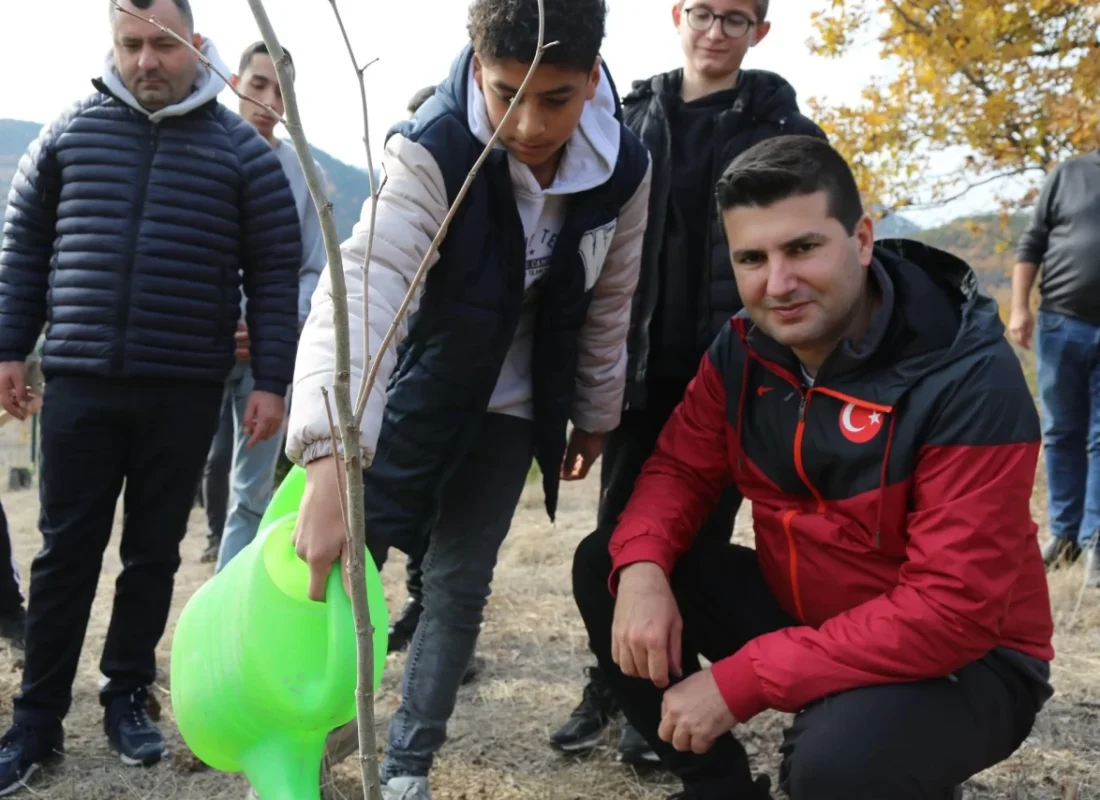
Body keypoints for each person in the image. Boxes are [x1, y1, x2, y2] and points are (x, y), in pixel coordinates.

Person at [572, 135, 1055, 800]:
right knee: (607, 562)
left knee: (835, 768)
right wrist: (643, 568)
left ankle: (887, 753)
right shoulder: (744, 348)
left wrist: (742, 680)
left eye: (802, 249)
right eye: (752, 258)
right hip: (809, 612)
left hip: (971, 658)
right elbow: (679, 469)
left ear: (862, 239)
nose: (778, 284)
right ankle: (719, 791)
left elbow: (953, 610)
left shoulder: (965, 375)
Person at [286, 0, 652, 795]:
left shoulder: (624, 168)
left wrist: (594, 412)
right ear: (477, 66)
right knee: (350, 559)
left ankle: (406, 765)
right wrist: (330, 453)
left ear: (592, 78)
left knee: (458, 585)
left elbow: (610, 297)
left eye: (556, 98)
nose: (528, 124)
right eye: (506, 93)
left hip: (516, 404)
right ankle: (307, 735)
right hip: (423, 383)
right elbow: (369, 281)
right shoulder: (434, 147)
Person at [0, 0, 301, 791]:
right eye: (130, 44)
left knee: (153, 552)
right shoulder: (68, 133)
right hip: (80, 382)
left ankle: (128, 694)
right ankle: (36, 721)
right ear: (113, 44)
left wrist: (272, 380)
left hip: (184, 386)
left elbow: (275, 272)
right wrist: (8, 347)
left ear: (194, 44)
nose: (145, 61)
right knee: (64, 554)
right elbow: (24, 242)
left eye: (161, 45)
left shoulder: (242, 153)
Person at [550, 0, 827, 762]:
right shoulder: (631, 117)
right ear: (678, 14)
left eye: (736, 19)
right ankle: (612, 682)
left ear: (759, 32)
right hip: (640, 369)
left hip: (735, 377)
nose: (716, 31)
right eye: (703, 12)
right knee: (619, 537)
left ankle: (667, 702)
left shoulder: (785, 128)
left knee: (696, 539)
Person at [198, 41, 327, 571]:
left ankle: (227, 606)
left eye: (282, 92)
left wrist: (275, 323)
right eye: (258, 85)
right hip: (194, 347)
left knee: (250, 496)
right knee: (171, 479)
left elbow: (315, 267)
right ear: (235, 84)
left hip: (266, 357)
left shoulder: (305, 174)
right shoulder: (199, 151)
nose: (269, 101)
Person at [1010, 148, 1100, 588]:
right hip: (1062, 322)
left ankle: (1095, 539)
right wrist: (1019, 307)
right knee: (1062, 431)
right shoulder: (1068, 174)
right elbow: (1032, 241)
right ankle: (1065, 536)